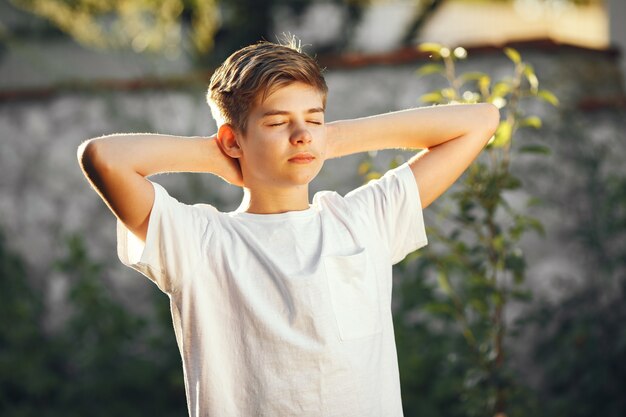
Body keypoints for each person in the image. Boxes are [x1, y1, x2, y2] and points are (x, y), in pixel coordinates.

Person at [77, 38, 499, 417]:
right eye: (277, 123)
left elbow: (480, 120)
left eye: (313, 119)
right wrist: (224, 158)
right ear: (232, 139)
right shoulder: (198, 241)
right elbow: (104, 156)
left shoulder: (364, 219)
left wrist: (331, 139)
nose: (301, 135)